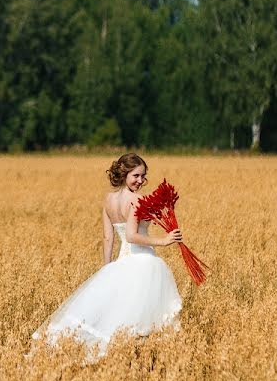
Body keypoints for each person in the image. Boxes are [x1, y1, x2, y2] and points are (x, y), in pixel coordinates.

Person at [29, 153, 183, 361]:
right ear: (124, 173)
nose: (140, 181)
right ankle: (138, 360)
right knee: (139, 318)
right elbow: (131, 236)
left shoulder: (109, 200)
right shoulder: (137, 200)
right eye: (136, 176)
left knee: (118, 316)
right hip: (143, 263)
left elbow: (108, 237)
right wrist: (164, 241)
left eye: (143, 176)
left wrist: (108, 268)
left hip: (121, 263)